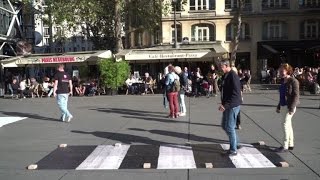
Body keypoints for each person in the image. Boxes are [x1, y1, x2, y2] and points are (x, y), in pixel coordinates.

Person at [219, 60, 242, 156]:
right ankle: (236, 143)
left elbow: (235, 93)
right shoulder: (226, 75)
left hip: (232, 105)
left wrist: (225, 105)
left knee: (229, 127)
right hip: (227, 104)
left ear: (226, 66)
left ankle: (233, 150)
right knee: (225, 125)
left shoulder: (233, 75)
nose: (220, 68)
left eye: (222, 67)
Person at [275, 63, 300, 153]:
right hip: (283, 106)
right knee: (288, 125)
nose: (280, 72)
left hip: (289, 107)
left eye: (282, 71)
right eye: (280, 71)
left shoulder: (293, 81)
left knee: (285, 124)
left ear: (287, 71)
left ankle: (284, 146)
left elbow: (296, 96)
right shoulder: (283, 81)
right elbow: (282, 96)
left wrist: (292, 108)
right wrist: (278, 106)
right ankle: (291, 144)